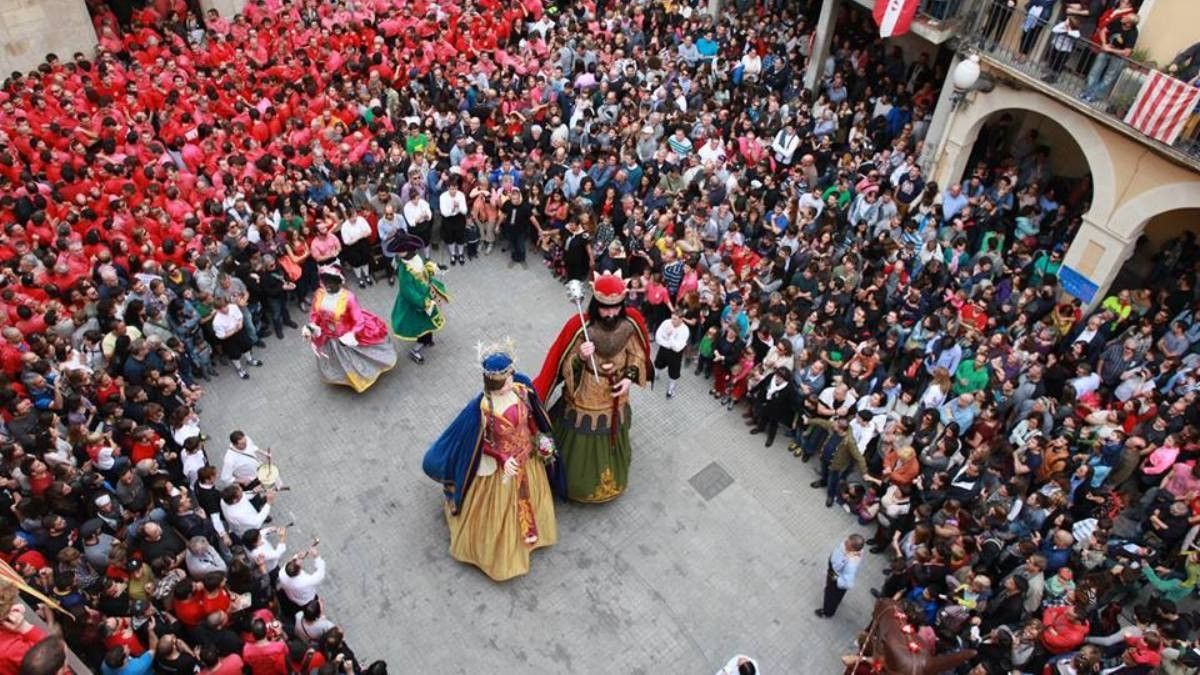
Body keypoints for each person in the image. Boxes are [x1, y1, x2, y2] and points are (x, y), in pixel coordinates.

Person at [422, 343, 558, 580]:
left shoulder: (522, 392)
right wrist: (502, 458)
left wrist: (540, 439)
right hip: (502, 470)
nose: (510, 384)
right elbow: (480, 442)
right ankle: (500, 555)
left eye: (510, 379)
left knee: (531, 500)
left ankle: (533, 536)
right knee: (502, 512)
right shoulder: (483, 408)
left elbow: (532, 420)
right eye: (504, 383)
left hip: (527, 459)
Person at [534, 272, 653, 503]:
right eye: (605, 309)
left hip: (615, 393)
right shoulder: (580, 327)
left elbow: (637, 355)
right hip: (585, 394)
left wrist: (629, 377)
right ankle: (575, 483)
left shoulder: (630, 324)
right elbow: (563, 366)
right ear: (596, 305)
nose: (611, 314)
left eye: (616, 308)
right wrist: (579, 356)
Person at [302, 266, 397, 393]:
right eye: (325, 282)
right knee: (339, 360)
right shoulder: (319, 294)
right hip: (328, 336)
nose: (327, 286)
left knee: (353, 358)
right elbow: (315, 313)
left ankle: (361, 377)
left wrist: (351, 335)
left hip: (345, 337)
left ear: (339, 283)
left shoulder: (349, 298)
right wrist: (311, 327)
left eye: (330, 282)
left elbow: (359, 321)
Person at [386, 232, 449, 364]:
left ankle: (427, 339)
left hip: (426, 294)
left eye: (401, 250)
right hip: (416, 304)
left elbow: (424, 267)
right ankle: (415, 350)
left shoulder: (415, 257)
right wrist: (424, 303)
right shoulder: (404, 270)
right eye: (398, 250)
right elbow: (407, 291)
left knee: (428, 322)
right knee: (421, 326)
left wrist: (436, 267)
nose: (399, 252)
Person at [816, 534, 865, 618]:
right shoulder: (850, 547)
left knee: (831, 596)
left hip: (837, 578)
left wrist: (834, 578)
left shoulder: (851, 563)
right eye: (847, 541)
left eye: (847, 543)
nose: (844, 543)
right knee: (834, 592)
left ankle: (827, 612)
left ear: (853, 548)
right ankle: (837, 598)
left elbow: (847, 583)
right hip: (834, 571)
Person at [654, 311, 690, 399]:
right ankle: (656, 374)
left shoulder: (685, 330)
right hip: (664, 350)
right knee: (658, 363)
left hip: (675, 355)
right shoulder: (667, 322)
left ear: (681, 319)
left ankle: (670, 389)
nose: (672, 321)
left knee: (674, 372)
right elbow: (658, 338)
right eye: (672, 318)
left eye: (675, 319)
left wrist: (670, 337)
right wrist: (669, 344)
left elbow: (677, 348)